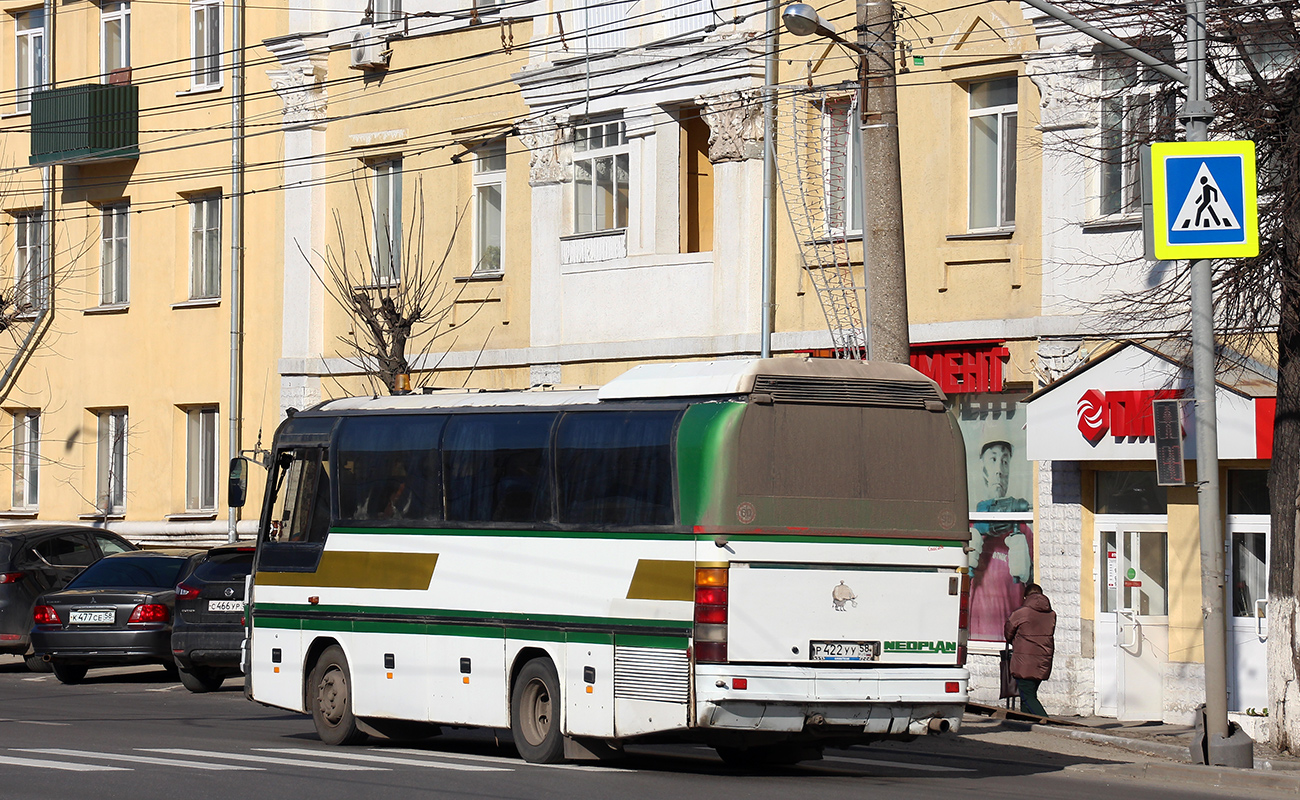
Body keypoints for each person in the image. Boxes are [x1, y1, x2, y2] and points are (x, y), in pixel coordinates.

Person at [968, 440, 1033, 641]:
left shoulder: (1023, 531)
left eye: (1005, 462)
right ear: (984, 469)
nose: (999, 470)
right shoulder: (970, 526)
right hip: (976, 633)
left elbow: (1031, 582)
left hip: (1011, 637)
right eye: (993, 459)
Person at [1005, 583, 1056, 718]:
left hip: (1024, 661)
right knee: (1029, 693)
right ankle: (1025, 721)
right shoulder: (1051, 615)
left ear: (1026, 596)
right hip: (1043, 660)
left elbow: (1008, 631)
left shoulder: (1021, 613)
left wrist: (1015, 642)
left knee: (1028, 696)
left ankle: (1047, 721)